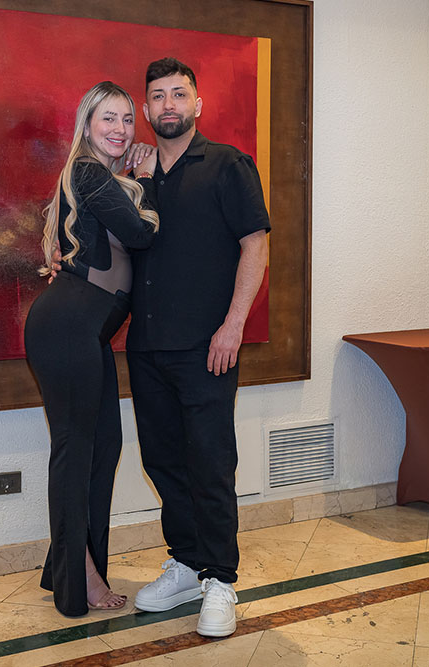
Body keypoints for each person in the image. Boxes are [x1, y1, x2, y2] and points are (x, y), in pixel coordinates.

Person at [126, 58, 270, 637]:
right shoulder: (137, 174)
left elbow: (255, 247)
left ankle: (221, 579)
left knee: (210, 463)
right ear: (146, 110)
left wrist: (234, 325)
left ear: (197, 104)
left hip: (208, 347)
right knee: (163, 461)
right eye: (158, 96)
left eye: (179, 94)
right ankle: (186, 563)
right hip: (147, 346)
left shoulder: (229, 166)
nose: (169, 104)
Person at [23, 81, 159, 617]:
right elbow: (140, 235)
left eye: (127, 119)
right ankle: (79, 582)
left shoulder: (105, 179)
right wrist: (146, 180)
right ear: (87, 124)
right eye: (108, 118)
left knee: (103, 448)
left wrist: (134, 181)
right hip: (66, 328)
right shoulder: (87, 171)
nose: (120, 129)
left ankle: (68, 567)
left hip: (88, 333)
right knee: (76, 452)